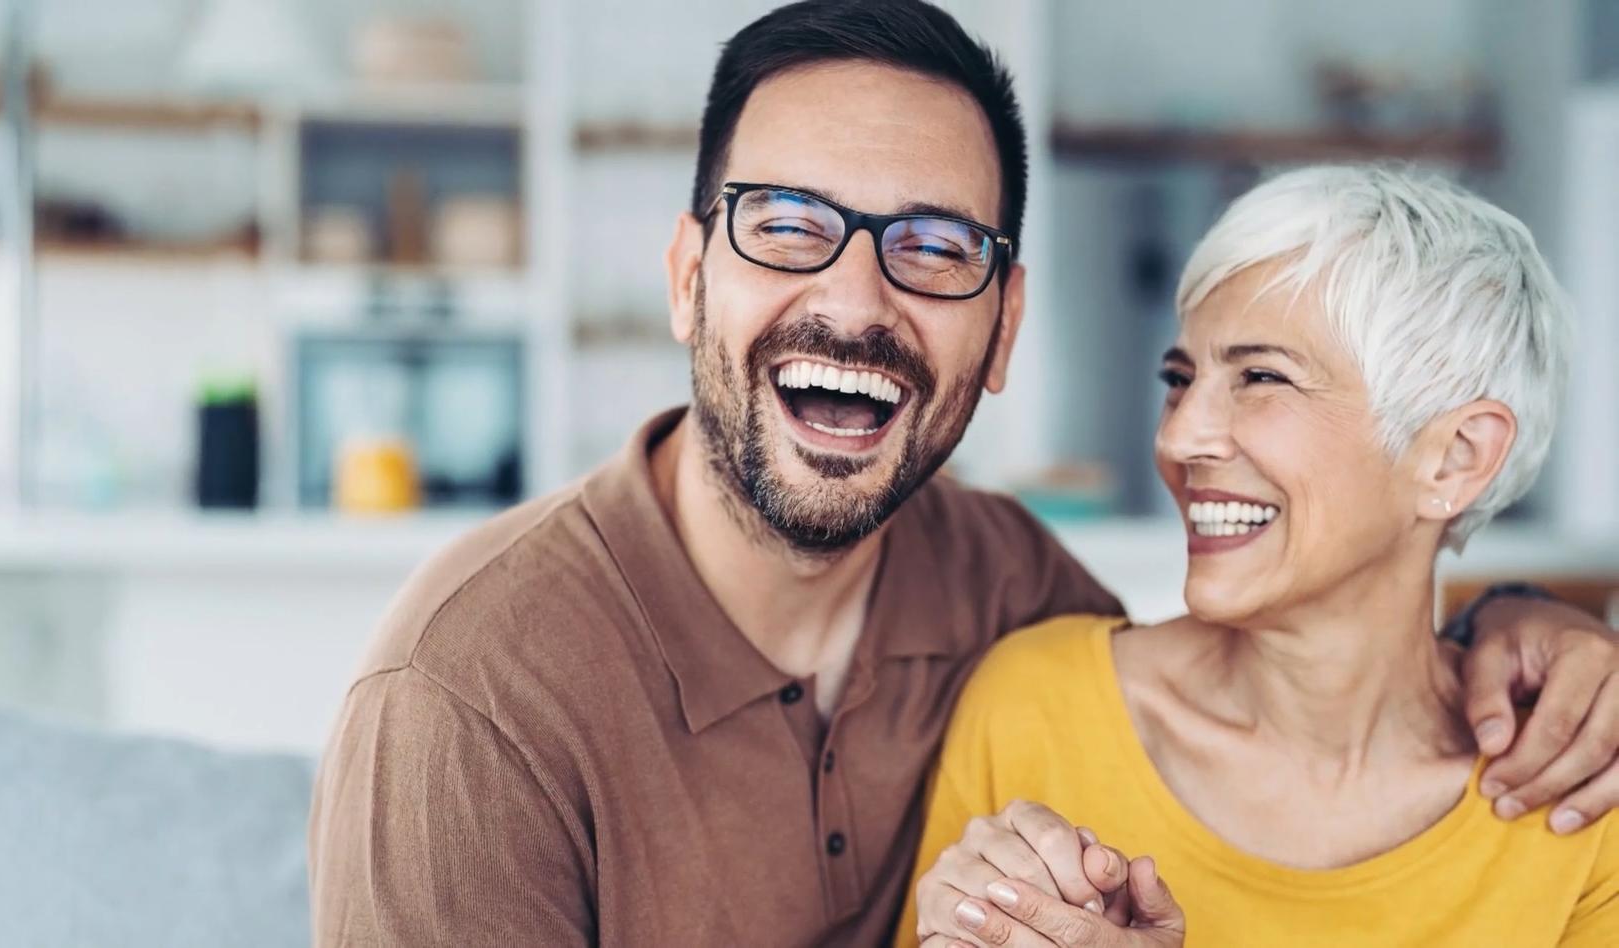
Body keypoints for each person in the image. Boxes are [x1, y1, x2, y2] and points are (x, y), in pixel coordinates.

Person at [306, 4, 1619, 945]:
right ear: (687, 279)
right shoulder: (467, 696)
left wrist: (1524, 624)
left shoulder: (1008, 590)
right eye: (786, 226)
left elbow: (1318, 661)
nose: (852, 300)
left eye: (934, 249)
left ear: (1002, 329)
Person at [904, 165, 1617, 948]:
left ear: (1455, 458)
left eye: (1261, 377)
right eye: (1180, 379)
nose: (1179, 437)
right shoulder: (1033, 706)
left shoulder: (1585, 801)